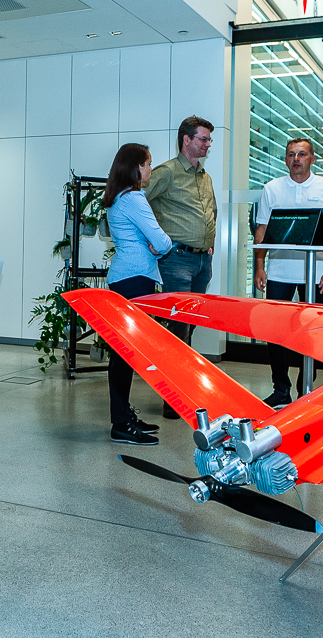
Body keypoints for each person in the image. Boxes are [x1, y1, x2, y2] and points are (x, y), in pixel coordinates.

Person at [253, 137, 323, 407]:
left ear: (312, 159)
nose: (296, 159)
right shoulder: (272, 189)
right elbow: (262, 230)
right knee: (275, 332)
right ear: (285, 160)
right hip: (279, 271)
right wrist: (259, 265)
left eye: (302, 154)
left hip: (315, 273)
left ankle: (307, 388)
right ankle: (281, 389)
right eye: (291, 154)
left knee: (312, 332)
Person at [144, 115, 218, 419]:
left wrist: (209, 239)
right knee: (178, 329)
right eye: (203, 139)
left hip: (203, 261)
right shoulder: (167, 173)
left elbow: (210, 210)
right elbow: (137, 203)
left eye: (209, 140)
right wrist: (150, 238)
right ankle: (173, 398)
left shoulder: (205, 176)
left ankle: (182, 388)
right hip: (177, 259)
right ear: (186, 139)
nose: (207, 144)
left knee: (189, 326)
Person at [103, 143, 173, 446]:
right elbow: (162, 241)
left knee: (125, 355)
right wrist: (159, 245)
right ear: (135, 167)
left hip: (128, 278)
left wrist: (153, 246)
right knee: (123, 356)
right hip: (134, 280)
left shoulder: (120, 198)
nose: (150, 169)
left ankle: (124, 417)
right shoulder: (133, 199)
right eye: (147, 164)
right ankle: (121, 424)